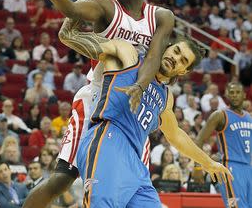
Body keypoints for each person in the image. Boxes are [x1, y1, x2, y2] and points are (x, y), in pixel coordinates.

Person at [4, 0, 174, 207]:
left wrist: (139, 85)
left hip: (134, 107)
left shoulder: (161, 16)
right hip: (97, 99)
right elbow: (70, 11)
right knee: (62, 179)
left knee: (131, 187)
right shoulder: (107, 8)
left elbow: (154, 56)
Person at [66, 33, 231, 206]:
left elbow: (175, 135)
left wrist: (209, 163)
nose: (175, 58)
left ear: (184, 71)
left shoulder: (166, 97)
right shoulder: (132, 57)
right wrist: (69, 33)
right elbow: (96, 45)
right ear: (166, 47)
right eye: (175, 51)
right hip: (108, 139)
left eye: (183, 60)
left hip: (135, 163)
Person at [195, 82, 252, 208]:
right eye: (231, 93)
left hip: (248, 168)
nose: (235, 95)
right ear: (226, 95)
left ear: (244, 95)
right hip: (230, 168)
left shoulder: (249, 117)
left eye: (238, 92)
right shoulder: (220, 115)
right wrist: (198, 167)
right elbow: (199, 140)